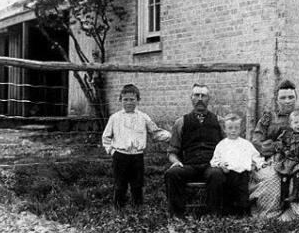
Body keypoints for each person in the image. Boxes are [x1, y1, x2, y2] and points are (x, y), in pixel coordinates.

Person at [251, 80, 299, 221]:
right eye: (283, 98)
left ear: (296, 98)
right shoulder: (269, 117)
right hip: (277, 158)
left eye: (291, 97)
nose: (287, 101)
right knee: (271, 180)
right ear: (277, 99)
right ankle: (271, 214)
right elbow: (257, 140)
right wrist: (276, 148)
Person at [101, 83, 171, 209]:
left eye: (132, 100)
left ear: (138, 100)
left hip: (137, 157)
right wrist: (112, 151)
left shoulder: (143, 117)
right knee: (120, 184)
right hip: (120, 156)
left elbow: (155, 133)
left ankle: (137, 209)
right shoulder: (115, 118)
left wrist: (171, 136)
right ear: (120, 100)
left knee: (137, 185)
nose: (129, 103)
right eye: (125, 100)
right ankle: (118, 209)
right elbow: (106, 137)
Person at [164, 83, 226, 216]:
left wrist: (223, 162)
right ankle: (177, 215)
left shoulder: (219, 122)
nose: (200, 98)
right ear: (191, 98)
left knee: (217, 174)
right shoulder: (180, 122)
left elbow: (228, 146)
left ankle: (214, 214)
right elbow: (172, 151)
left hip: (211, 164)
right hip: (189, 165)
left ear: (208, 99)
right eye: (196, 95)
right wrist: (175, 161)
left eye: (203, 95)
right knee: (172, 173)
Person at [209, 113, 263, 216]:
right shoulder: (222, 145)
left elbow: (256, 156)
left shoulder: (246, 144)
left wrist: (257, 164)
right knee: (228, 193)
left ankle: (243, 213)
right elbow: (214, 160)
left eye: (236, 128)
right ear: (225, 129)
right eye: (230, 128)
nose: (233, 131)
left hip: (243, 174)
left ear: (241, 129)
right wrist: (221, 164)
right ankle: (228, 213)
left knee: (243, 193)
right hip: (228, 174)